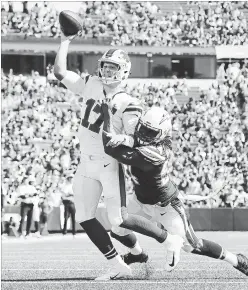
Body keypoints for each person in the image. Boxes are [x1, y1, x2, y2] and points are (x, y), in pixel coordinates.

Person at [53, 31, 182, 280]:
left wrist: (121, 137)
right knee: (84, 217)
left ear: (124, 72)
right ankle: (120, 263)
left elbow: (141, 140)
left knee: (118, 220)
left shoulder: (128, 103)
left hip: (108, 163)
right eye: (106, 66)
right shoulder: (91, 83)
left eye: (114, 68)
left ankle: (169, 240)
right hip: (85, 162)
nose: (108, 72)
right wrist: (65, 41)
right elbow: (60, 73)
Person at [101, 103, 248, 279]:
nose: (144, 135)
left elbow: (111, 148)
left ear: (161, 134)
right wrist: (128, 137)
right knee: (117, 229)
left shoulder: (156, 152)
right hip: (140, 200)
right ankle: (137, 254)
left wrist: (111, 122)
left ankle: (237, 260)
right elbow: (134, 137)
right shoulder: (148, 137)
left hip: (166, 205)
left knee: (193, 245)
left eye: (150, 132)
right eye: (143, 129)